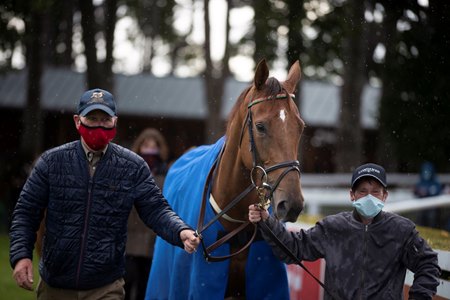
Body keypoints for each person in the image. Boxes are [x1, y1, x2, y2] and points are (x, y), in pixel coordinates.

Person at [9, 88, 200, 299]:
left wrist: (180, 231)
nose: (99, 125)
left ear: (115, 122)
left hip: (106, 286)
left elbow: (156, 209)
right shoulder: (51, 162)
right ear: (77, 121)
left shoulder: (132, 166)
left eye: (105, 119)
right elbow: (26, 212)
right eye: (92, 118)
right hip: (55, 285)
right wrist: (21, 256)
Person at [249, 163, 441, 299]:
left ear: (384, 196)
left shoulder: (402, 230)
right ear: (352, 195)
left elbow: (428, 263)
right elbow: (293, 249)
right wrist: (267, 220)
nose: (369, 197)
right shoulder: (333, 227)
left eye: (375, 192)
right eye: (362, 191)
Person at [125, 128, 170, 300]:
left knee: (145, 285)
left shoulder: (166, 174)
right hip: (129, 237)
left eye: (154, 146)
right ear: (139, 147)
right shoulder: (129, 171)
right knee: (127, 282)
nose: (150, 150)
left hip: (151, 238)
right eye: (146, 145)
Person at [413, 161, 443, 228]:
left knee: (431, 217)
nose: (426, 173)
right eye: (425, 171)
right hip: (421, 208)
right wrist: (419, 191)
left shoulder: (435, 182)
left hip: (432, 208)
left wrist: (427, 192)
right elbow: (416, 191)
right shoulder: (421, 182)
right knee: (420, 218)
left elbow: (437, 191)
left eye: (428, 171)